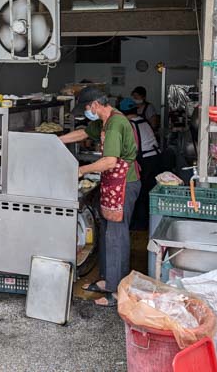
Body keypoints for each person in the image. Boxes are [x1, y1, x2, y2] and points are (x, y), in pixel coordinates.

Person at [60, 87, 140, 307]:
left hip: (124, 183)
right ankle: (107, 280)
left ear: (95, 105)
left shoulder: (115, 123)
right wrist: (58, 141)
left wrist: (81, 170)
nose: (87, 113)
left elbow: (110, 162)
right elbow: (85, 132)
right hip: (113, 183)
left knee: (117, 235)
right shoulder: (104, 121)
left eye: (86, 108)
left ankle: (116, 292)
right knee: (107, 231)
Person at [119, 97, 162, 231]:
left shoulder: (130, 124)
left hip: (145, 160)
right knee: (147, 192)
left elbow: (133, 148)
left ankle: (139, 225)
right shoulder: (143, 121)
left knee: (140, 194)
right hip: (155, 158)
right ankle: (147, 223)